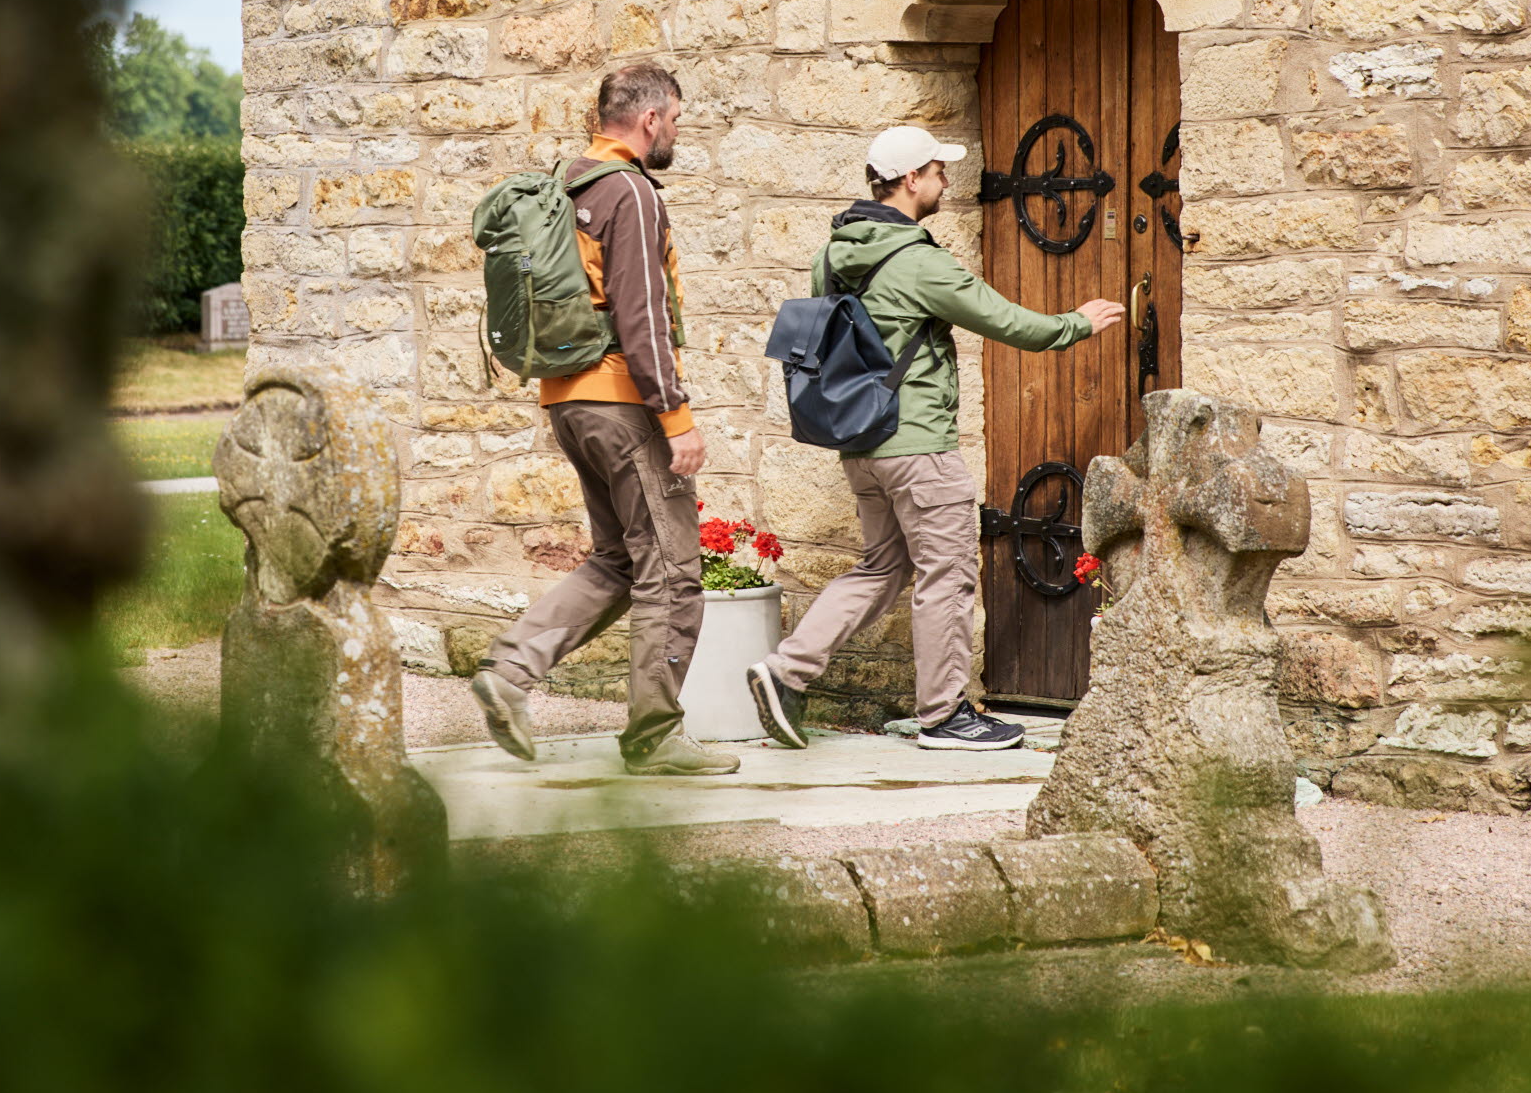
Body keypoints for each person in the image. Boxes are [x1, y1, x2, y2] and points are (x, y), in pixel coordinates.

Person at [745, 125, 1122, 753]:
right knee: (945, 575)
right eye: (938, 172)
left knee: (882, 567)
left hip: (861, 444)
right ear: (910, 179)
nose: (947, 182)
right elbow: (1006, 321)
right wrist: (1075, 323)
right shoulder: (916, 259)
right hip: (918, 445)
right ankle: (944, 716)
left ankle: (785, 671)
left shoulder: (832, 253)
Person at [469, 64, 737, 776]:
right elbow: (642, 312)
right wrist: (676, 418)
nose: (677, 131)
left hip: (567, 399)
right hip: (624, 402)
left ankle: (507, 672)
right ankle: (654, 737)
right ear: (649, 120)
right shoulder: (631, 192)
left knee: (619, 559)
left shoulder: (571, 181)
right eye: (675, 119)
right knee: (674, 572)